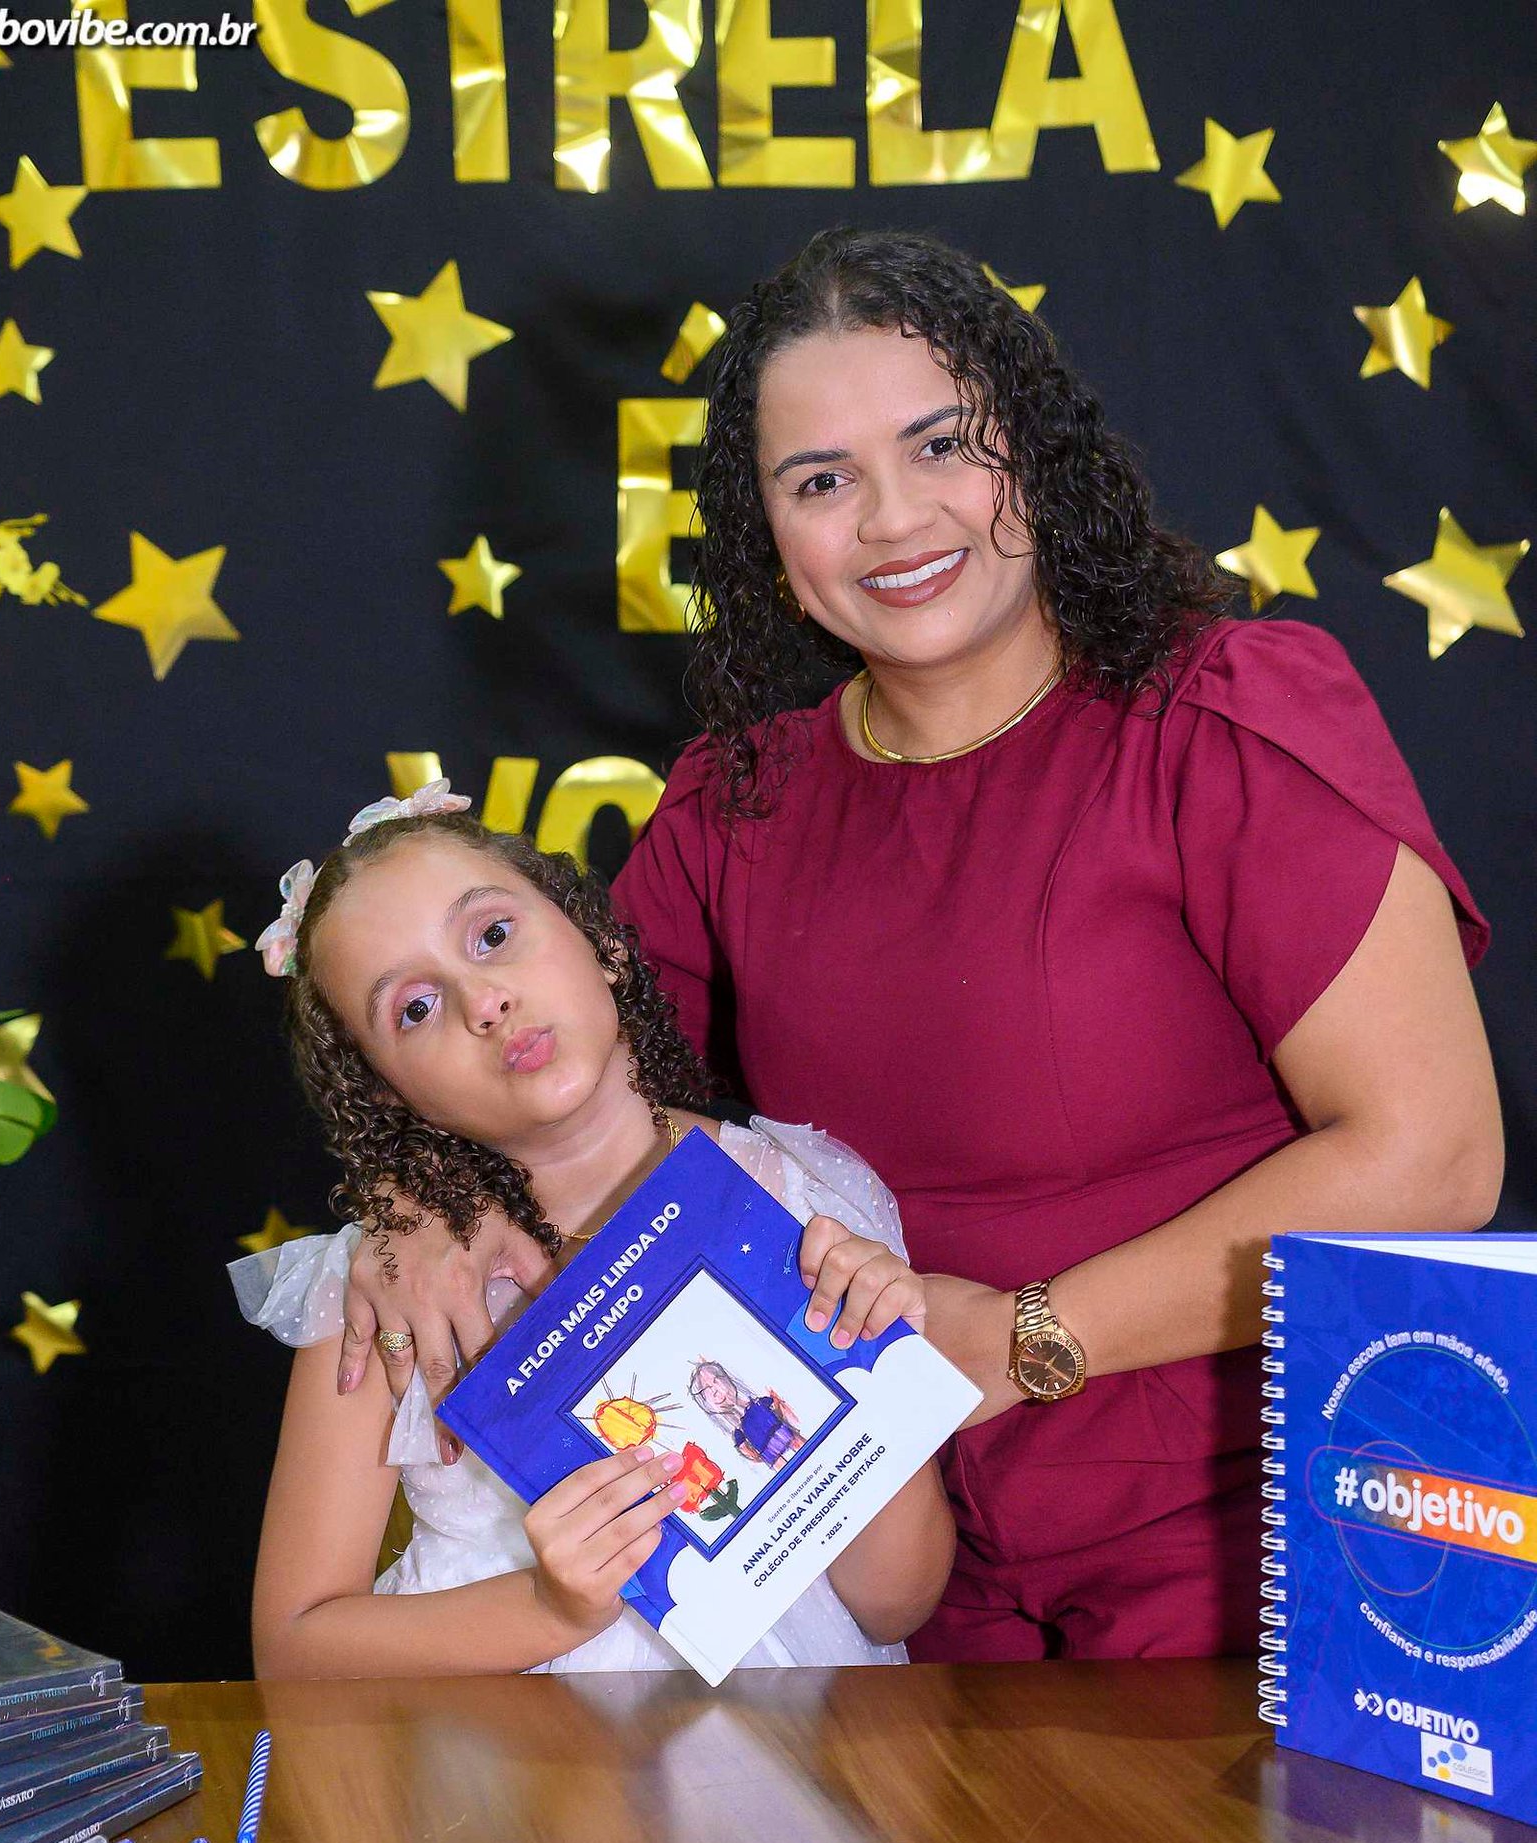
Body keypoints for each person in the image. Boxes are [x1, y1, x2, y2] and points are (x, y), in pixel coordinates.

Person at [339, 227, 1503, 1665]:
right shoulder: (733, 804)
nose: (893, 520)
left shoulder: (1222, 715)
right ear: (772, 541)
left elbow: (1434, 1160)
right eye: (821, 482)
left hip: (1260, 1534)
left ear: (1035, 458)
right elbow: (539, 1079)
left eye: (942, 445)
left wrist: (1024, 1338)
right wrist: (414, 1199)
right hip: (888, 1581)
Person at [231, 783, 952, 1677]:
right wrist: (547, 1607)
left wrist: (881, 1375)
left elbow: (893, 1606)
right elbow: (294, 1651)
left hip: (801, 1740)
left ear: (600, 940)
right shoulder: (389, 1289)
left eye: (493, 935)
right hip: (512, 1753)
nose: (483, 1002)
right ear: (389, 1093)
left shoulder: (806, 1197)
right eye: (414, 1008)